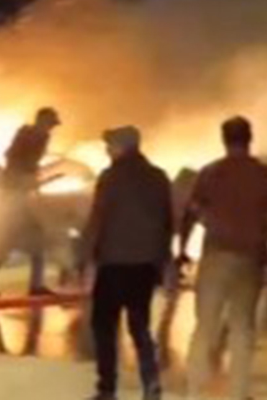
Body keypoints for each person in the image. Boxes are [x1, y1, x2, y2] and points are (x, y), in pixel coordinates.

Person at [178, 116, 267, 400]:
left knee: (205, 326)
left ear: (224, 139)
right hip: (250, 259)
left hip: (216, 256)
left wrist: (181, 250)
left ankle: (194, 391)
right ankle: (239, 392)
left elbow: (191, 213)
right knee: (243, 327)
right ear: (249, 138)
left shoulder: (210, 173)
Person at [83, 126, 173, 400]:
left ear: (122, 147)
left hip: (113, 263)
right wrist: (163, 260)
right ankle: (151, 382)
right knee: (140, 325)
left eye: (110, 145)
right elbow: (168, 222)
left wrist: (85, 256)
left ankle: (107, 388)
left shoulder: (110, 178)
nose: (107, 150)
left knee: (104, 326)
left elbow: (97, 219)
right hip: (145, 265)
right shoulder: (158, 177)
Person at [0, 107, 61, 297]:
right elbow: (19, 163)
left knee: (12, 240)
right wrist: (29, 181)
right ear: (43, 122)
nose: (51, 129)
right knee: (30, 240)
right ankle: (33, 286)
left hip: (15, 195)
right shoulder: (34, 136)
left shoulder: (28, 135)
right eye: (50, 124)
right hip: (16, 196)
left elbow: (16, 160)